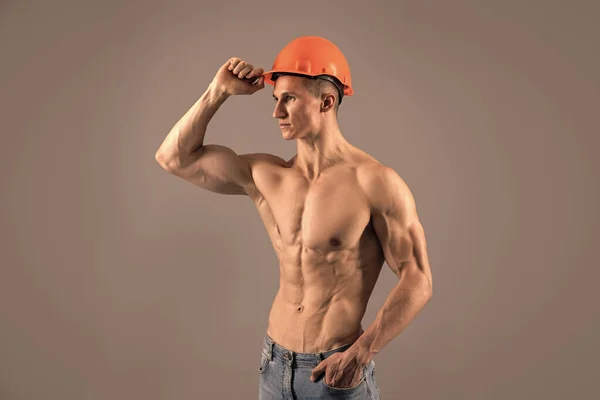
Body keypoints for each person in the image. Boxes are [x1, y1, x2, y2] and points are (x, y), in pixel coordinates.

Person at [155, 36, 433, 399]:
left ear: (327, 101)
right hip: (273, 365)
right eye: (275, 99)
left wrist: (362, 352)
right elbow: (173, 158)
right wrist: (217, 92)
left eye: (289, 99)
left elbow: (418, 278)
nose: (276, 112)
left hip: (335, 369)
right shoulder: (267, 176)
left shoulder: (375, 182)